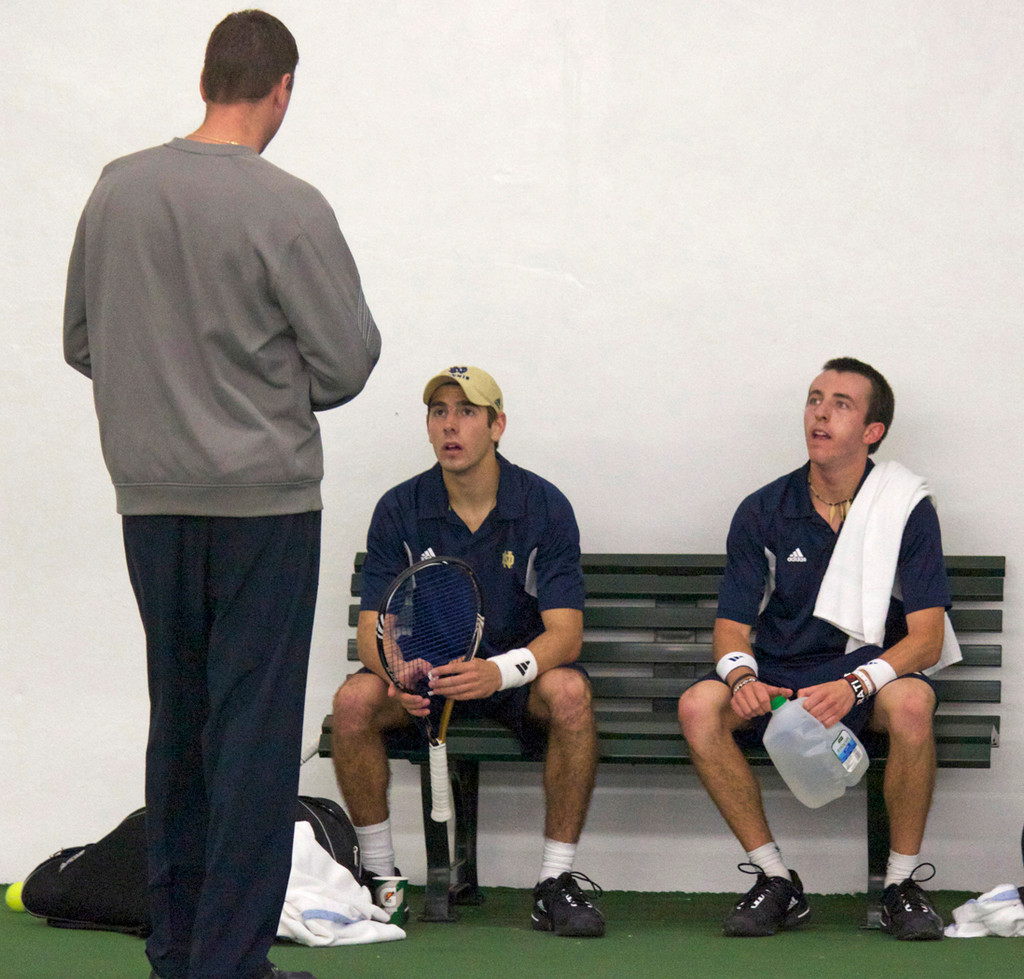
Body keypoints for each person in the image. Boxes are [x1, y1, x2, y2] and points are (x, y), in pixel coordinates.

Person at [63, 11, 381, 979]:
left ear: (207, 78)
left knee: (181, 722)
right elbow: (349, 359)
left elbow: (81, 341)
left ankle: (176, 948)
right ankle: (229, 962)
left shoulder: (116, 189)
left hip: (150, 500)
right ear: (281, 87)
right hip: (264, 505)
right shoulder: (289, 206)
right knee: (251, 736)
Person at [678, 357, 953, 941]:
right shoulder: (763, 510)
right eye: (814, 399)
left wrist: (858, 683)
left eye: (841, 404)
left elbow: (926, 639)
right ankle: (777, 881)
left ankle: (901, 884)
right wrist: (741, 680)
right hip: (780, 683)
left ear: (872, 432)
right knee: (698, 706)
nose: (820, 413)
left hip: (864, 682)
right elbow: (730, 630)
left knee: (912, 705)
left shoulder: (904, 506)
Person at [331, 365, 605, 937]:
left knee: (572, 693)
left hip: (513, 682)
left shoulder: (544, 505)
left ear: (497, 425)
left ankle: (554, 883)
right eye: (439, 413)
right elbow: (370, 630)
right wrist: (397, 672)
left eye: (467, 412)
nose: (451, 426)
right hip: (428, 684)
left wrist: (499, 672)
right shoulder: (399, 508)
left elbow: (566, 633)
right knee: (354, 702)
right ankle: (380, 880)